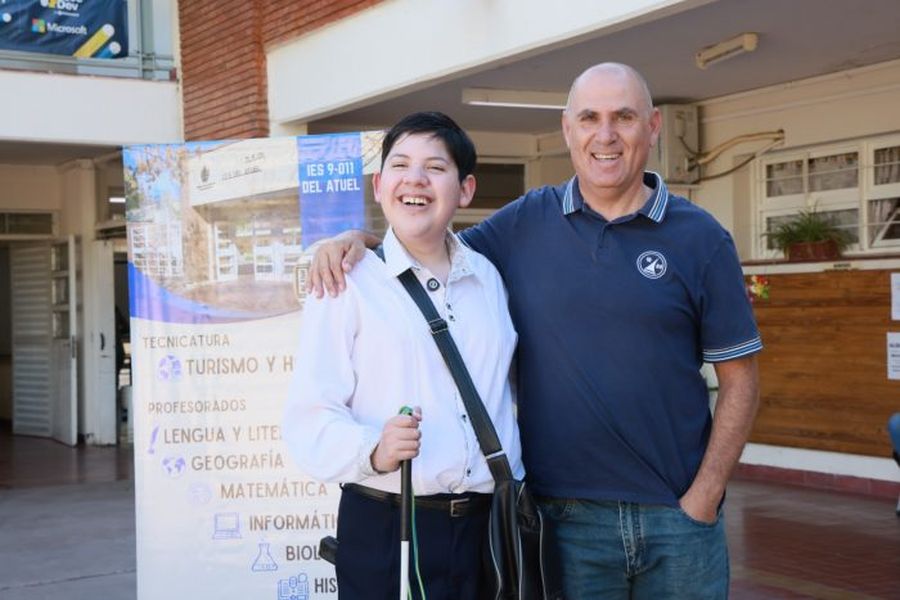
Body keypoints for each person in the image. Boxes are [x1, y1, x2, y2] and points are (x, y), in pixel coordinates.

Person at [307, 63, 762, 599]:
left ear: (653, 126)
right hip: (563, 521)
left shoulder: (701, 238)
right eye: (588, 118)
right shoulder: (525, 223)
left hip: (678, 521)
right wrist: (354, 240)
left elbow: (741, 381)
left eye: (623, 117)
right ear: (567, 129)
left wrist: (704, 498)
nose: (605, 135)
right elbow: (428, 241)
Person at [283, 111, 524, 600]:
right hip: (387, 525)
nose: (415, 179)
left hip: (489, 529)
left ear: (466, 190)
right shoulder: (346, 282)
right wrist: (373, 449)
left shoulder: (489, 278)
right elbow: (310, 416)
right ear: (379, 186)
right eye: (400, 165)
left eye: (435, 167)